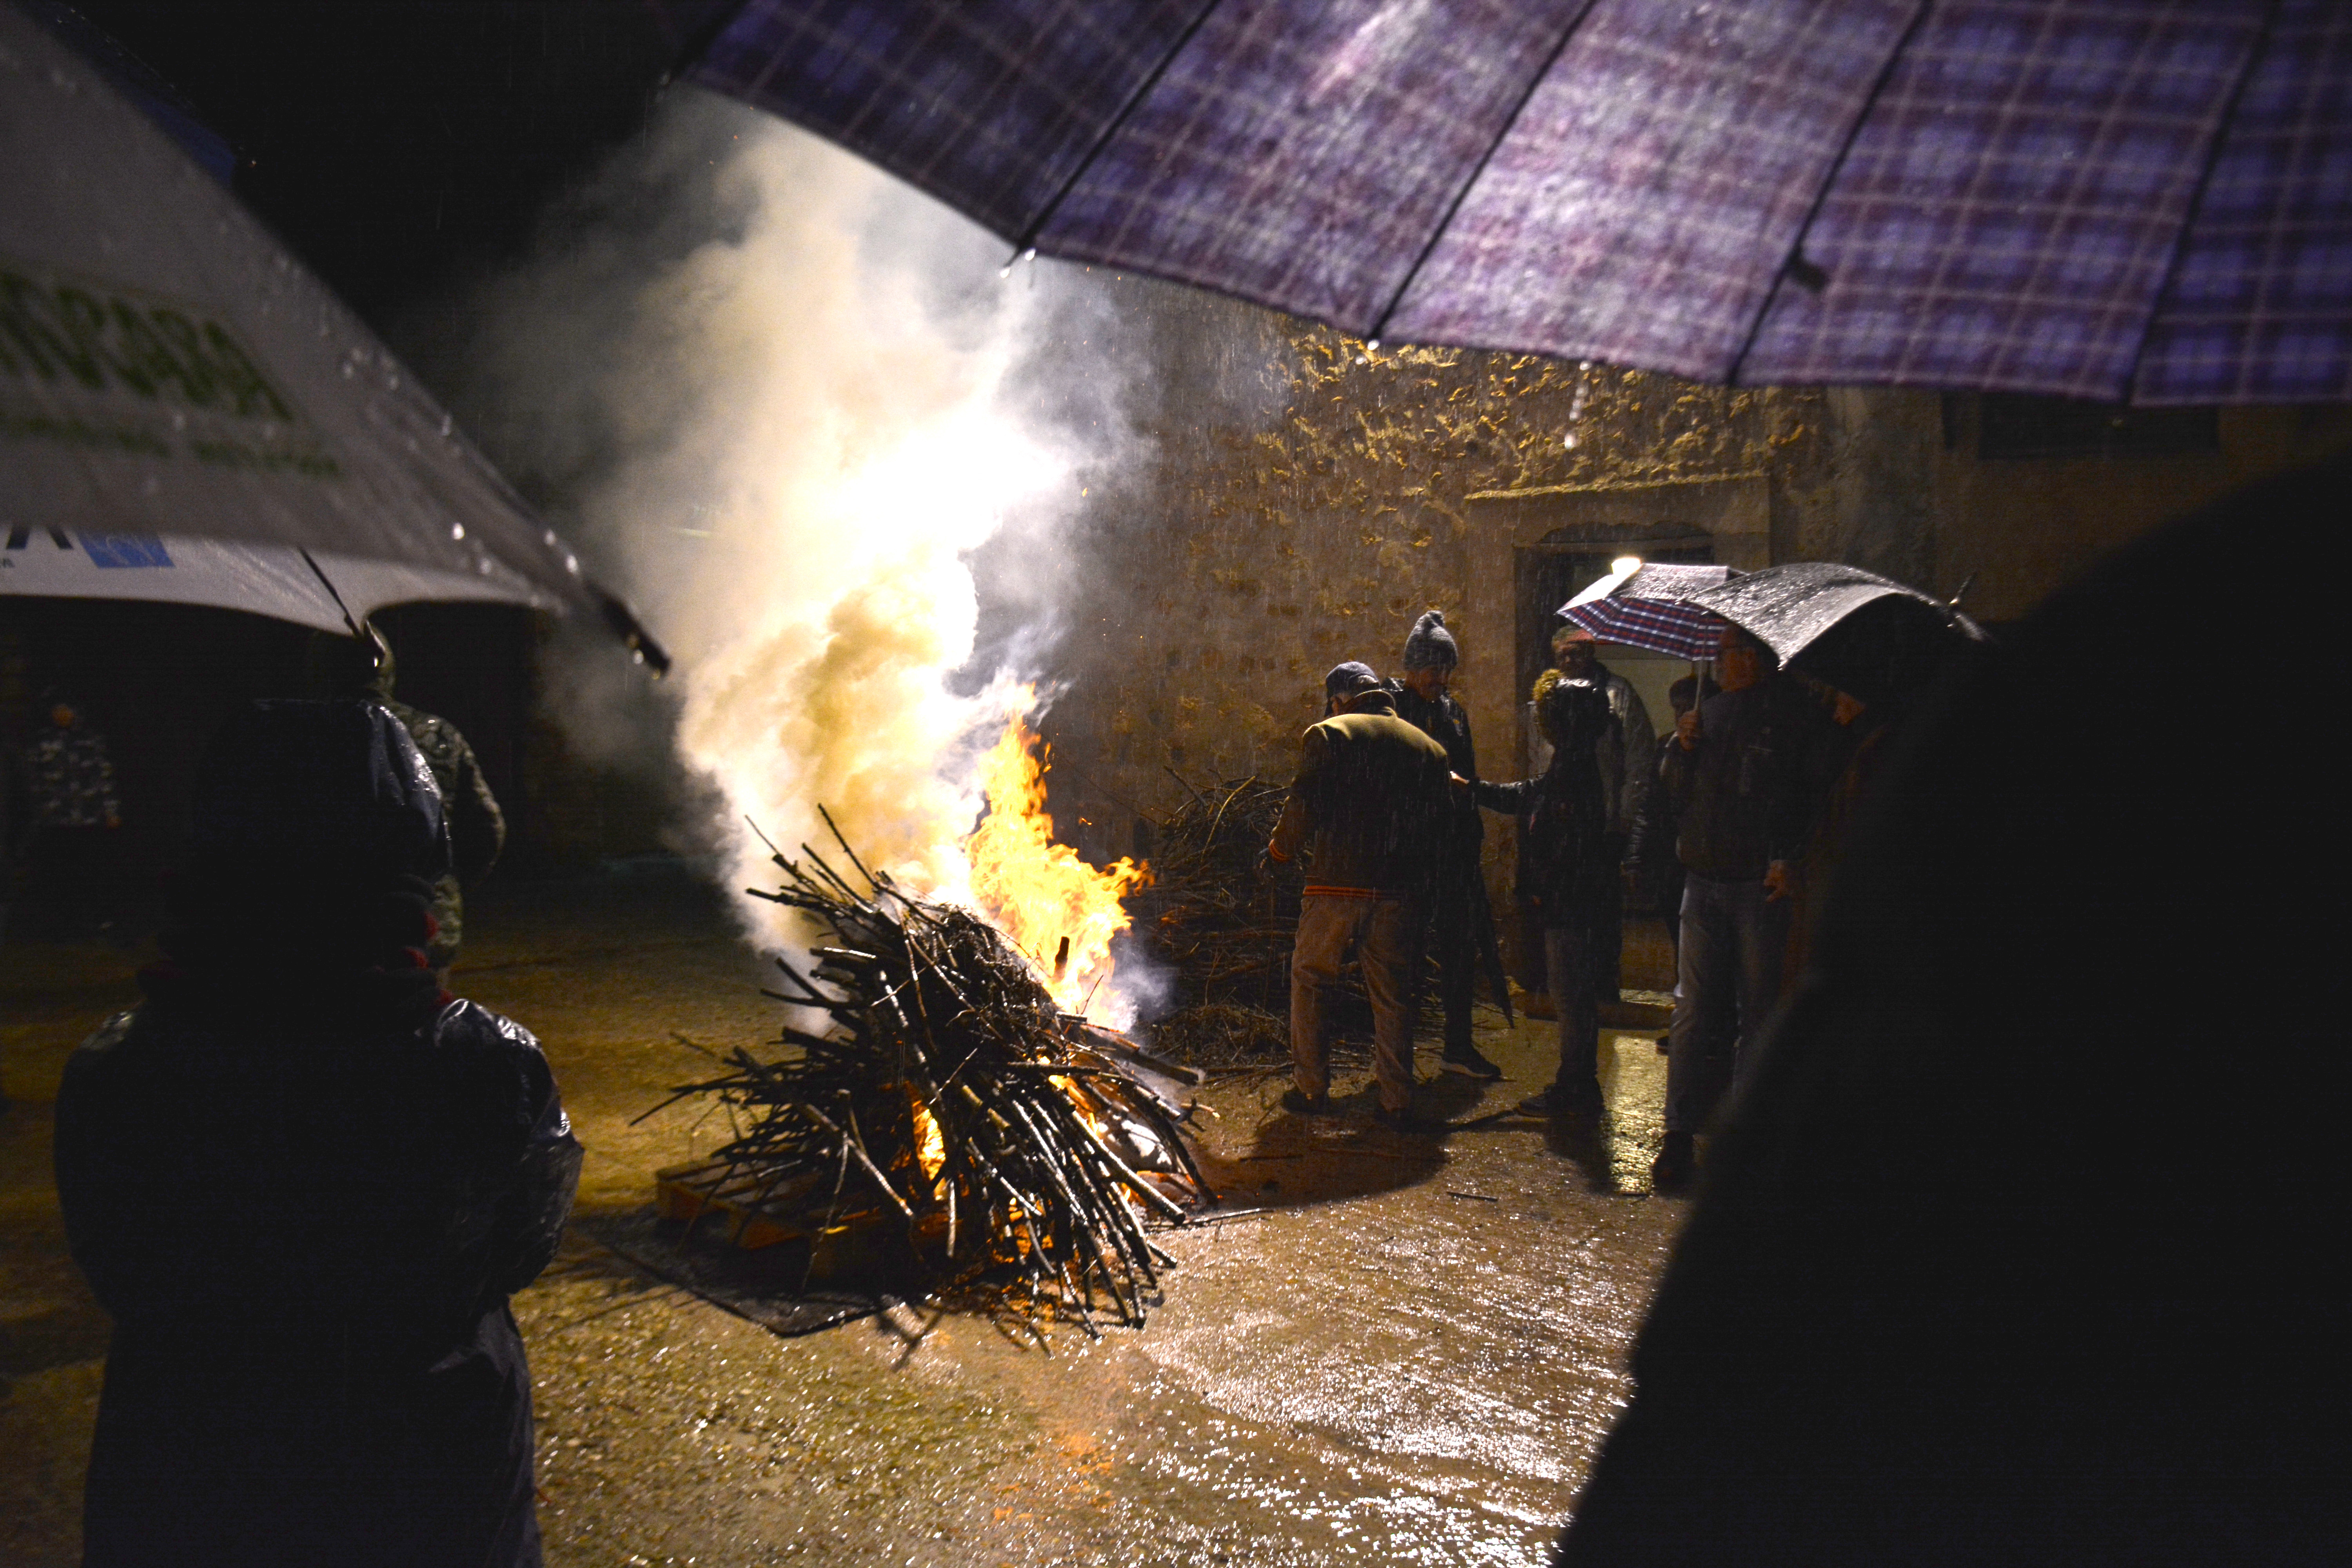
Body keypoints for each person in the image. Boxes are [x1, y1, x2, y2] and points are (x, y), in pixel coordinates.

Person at [1559, 458, 2343, 1568]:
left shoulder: (1970, 767)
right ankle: (1688, 1127)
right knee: (1706, 1018)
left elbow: (1716, 1402)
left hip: (1825, 986)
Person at [54, 699, 580, 1568]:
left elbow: (116, 1262)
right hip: (428, 1460)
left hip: (192, 1457)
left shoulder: (121, 1065)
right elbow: (517, 1248)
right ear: (405, 849)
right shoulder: (486, 1063)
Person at [1651, 624, 1819, 1189]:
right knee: (1692, 1010)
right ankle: (1678, 1133)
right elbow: (1672, 792)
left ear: (1752, 658)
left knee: (1758, 1010)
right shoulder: (1710, 714)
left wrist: (1786, 855)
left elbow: (1802, 795)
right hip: (1703, 878)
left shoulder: (1792, 718)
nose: (1719, 664)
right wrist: (1681, 746)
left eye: (1727, 654)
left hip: (1754, 883)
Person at [1267, 661, 1454, 1129]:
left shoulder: (1330, 734)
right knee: (1392, 995)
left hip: (1335, 884)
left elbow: (1304, 803)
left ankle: (1311, 1089)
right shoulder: (1428, 749)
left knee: (1311, 980)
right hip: (1398, 890)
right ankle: (1396, 1099)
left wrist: (1278, 853)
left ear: (1338, 699)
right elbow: (1440, 828)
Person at [309, 624, 505, 980]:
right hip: (426, 923)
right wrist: (446, 886)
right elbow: (487, 828)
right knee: (425, 1021)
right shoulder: (439, 734)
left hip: (338, 927)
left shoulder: (310, 738)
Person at [1475, 668, 1617, 1118]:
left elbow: (1565, 840)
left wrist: (1544, 888)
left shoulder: (1575, 769)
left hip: (1571, 905)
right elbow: (1532, 796)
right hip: (1573, 901)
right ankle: (1578, 1083)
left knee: (1571, 995)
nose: (1544, 721)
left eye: (1552, 714)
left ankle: (1577, 1086)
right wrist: (1476, 790)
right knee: (1571, 994)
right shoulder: (1572, 763)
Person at [1386, 610, 1503, 1080]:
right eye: (1432, 668)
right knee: (1405, 956)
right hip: (1411, 853)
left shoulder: (1453, 712)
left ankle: (1458, 1047)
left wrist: (1467, 818)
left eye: (1446, 669)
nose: (1440, 678)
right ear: (1412, 667)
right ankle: (1399, 1056)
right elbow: (1390, 776)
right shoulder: (1392, 709)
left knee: (1459, 949)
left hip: (1453, 851)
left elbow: (1468, 773)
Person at [1549, 626, 1655, 1007]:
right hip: (1563, 824)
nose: (1568, 661)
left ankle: (1604, 986)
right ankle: (1567, 986)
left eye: (1576, 653)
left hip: (1603, 823)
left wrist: (1623, 821)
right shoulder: (1547, 698)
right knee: (1564, 908)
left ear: (1591, 653)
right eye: (1562, 654)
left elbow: (1639, 762)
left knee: (1604, 910)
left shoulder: (1617, 695)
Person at [11, 692, 124, 940]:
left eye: (67, 710)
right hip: (57, 821)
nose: (62, 715)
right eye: (57, 710)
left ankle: (97, 920)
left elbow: (104, 776)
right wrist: (40, 811)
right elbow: (33, 782)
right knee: (61, 872)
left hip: (89, 818)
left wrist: (111, 811)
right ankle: (64, 924)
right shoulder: (42, 744)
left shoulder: (91, 741)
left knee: (92, 870)